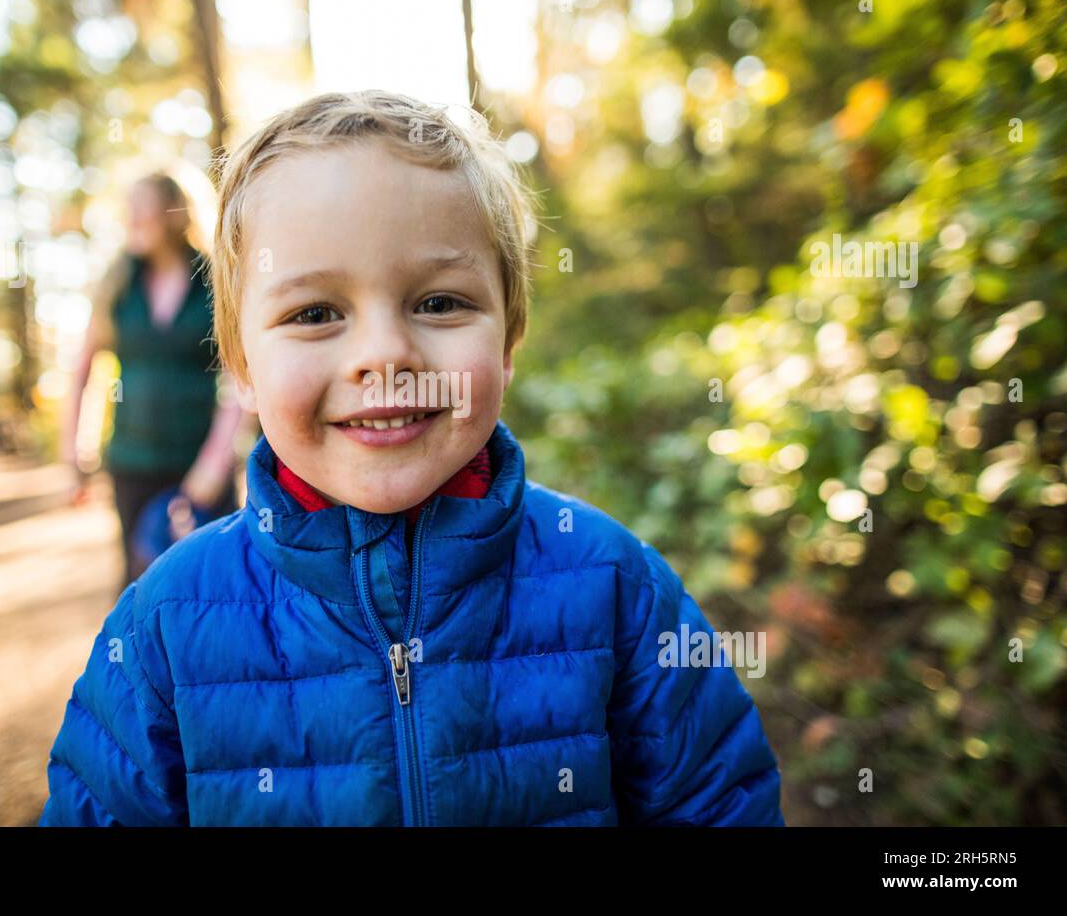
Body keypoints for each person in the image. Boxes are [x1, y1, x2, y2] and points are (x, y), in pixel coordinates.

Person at [39, 91, 784, 826]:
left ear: (508, 339)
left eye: (439, 303)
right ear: (240, 366)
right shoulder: (164, 625)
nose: (385, 354)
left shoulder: (619, 589)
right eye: (315, 313)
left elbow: (721, 806)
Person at [64, 173, 246, 592]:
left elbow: (239, 376)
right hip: (132, 463)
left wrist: (214, 464)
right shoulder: (117, 284)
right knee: (140, 586)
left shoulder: (214, 279)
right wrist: (73, 453)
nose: (131, 219)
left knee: (216, 585)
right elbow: (82, 373)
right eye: (127, 210)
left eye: (140, 207)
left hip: (199, 462)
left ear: (173, 212)